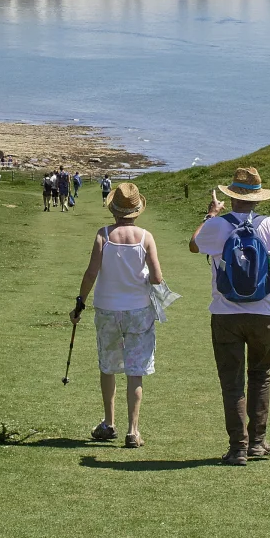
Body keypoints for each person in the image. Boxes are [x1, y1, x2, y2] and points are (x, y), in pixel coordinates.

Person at [190, 166, 270, 466]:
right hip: (264, 313)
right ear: (258, 199)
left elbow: (194, 245)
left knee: (232, 381)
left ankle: (238, 448)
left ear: (231, 197)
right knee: (260, 375)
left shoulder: (218, 226)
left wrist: (210, 215)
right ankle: (257, 443)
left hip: (226, 313)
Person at [70, 182, 163, 448]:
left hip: (108, 309)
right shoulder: (146, 237)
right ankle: (133, 430)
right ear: (136, 211)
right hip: (138, 309)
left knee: (108, 366)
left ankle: (109, 422)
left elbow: (91, 273)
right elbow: (157, 277)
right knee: (136, 370)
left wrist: (80, 303)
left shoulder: (104, 235)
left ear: (114, 210)